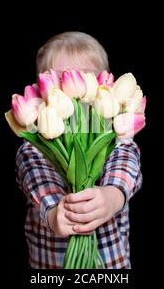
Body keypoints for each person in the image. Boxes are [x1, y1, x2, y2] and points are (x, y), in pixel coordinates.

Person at [15, 31, 143, 268]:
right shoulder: (36, 145)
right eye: (60, 81)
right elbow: (34, 176)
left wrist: (112, 196)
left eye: (86, 77)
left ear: (106, 87)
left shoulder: (114, 133)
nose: (74, 92)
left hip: (111, 267)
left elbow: (127, 160)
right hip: (51, 267)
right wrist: (54, 213)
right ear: (42, 93)